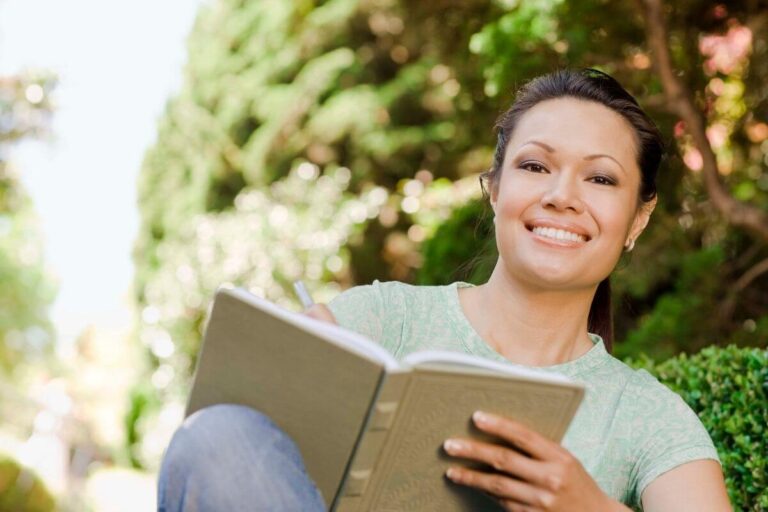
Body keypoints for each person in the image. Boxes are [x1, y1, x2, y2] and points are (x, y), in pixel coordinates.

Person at [157, 69, 732, 511]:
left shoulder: (649, 418)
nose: (562, 195)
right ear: (495, 189)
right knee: (219, 436)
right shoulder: (384, 318)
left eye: (601, 178)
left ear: (637, 219)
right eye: (535, 167)